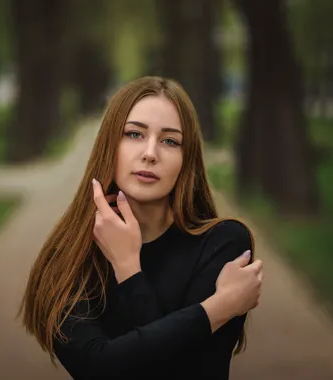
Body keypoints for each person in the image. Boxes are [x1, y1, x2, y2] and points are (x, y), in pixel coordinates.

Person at [19, 76, 263, 379]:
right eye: (134, 134)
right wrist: (218, 308)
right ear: (109, 145)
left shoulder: (222, 244)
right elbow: (98, 368)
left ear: (187, 161)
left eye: (170, 141)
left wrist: (128, 270)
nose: (150, 153)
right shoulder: (68, 257)